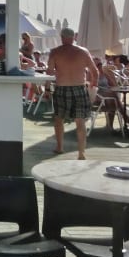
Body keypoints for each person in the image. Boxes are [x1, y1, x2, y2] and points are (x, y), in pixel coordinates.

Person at [46, 26, 99, 159]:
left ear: (62, 37)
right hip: (79, 88)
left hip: (62, 88)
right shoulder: (83, 52)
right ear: (74, 37)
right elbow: (95, 72)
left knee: (59, 119)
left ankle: (60, 147)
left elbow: (50, 72)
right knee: (80, 121)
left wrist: (47, 88)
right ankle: (81, 153)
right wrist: (93, 84)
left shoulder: (55, 52)